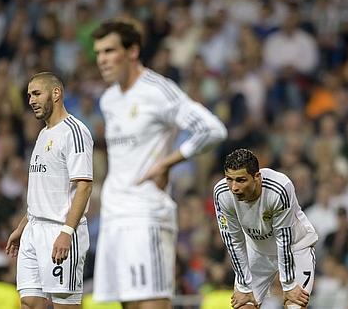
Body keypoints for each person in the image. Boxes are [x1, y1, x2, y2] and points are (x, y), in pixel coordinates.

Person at [91, 20, 227, 309]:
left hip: (146, 214)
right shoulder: (108, 100)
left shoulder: (158, 90)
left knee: (152, 303)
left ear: (132, 51)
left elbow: (212, 129)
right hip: (114, 215)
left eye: (109, 51)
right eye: (99, 52)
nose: (101, 59)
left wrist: (168, 162)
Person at [5, 72, 94, 309]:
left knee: (64, 305)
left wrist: (66, 232)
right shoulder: (43, 134)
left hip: (59, 230)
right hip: (34, 230)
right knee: (30, 302)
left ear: (56, 93)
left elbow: (84, 186)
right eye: (28, 96)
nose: (31, 100)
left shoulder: (74, 132)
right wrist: (22, 227)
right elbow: (44, 192)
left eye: (36, 93)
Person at [213, 148, 318, 309]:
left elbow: (284, 239)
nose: (234, 187)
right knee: (244, 306)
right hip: (257, 251)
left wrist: (288, 284)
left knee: (295, 305)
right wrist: (243, 285)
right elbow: (233, 241)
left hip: (296, 247)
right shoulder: (222, 193)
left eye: (241, 180)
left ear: (257, 177)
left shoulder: (279, 188)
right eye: (229, 179)